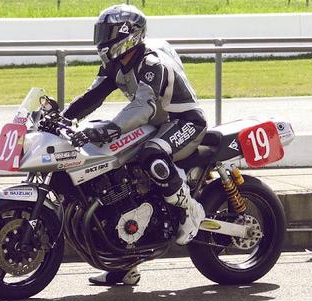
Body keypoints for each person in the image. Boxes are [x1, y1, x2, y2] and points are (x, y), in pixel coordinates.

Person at [62, 4, 207, 286]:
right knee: (120, 180)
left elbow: (144, 106)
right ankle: (125, 263)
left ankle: (190, 209)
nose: (102, 39)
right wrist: (62, 117)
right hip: (158, 123)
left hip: (186, 122)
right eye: (101, 32)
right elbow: (93, 97)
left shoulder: (151, 63)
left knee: (152, 156)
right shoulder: (116, 64)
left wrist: (110, 127)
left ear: (127, 34)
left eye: (108, 33)